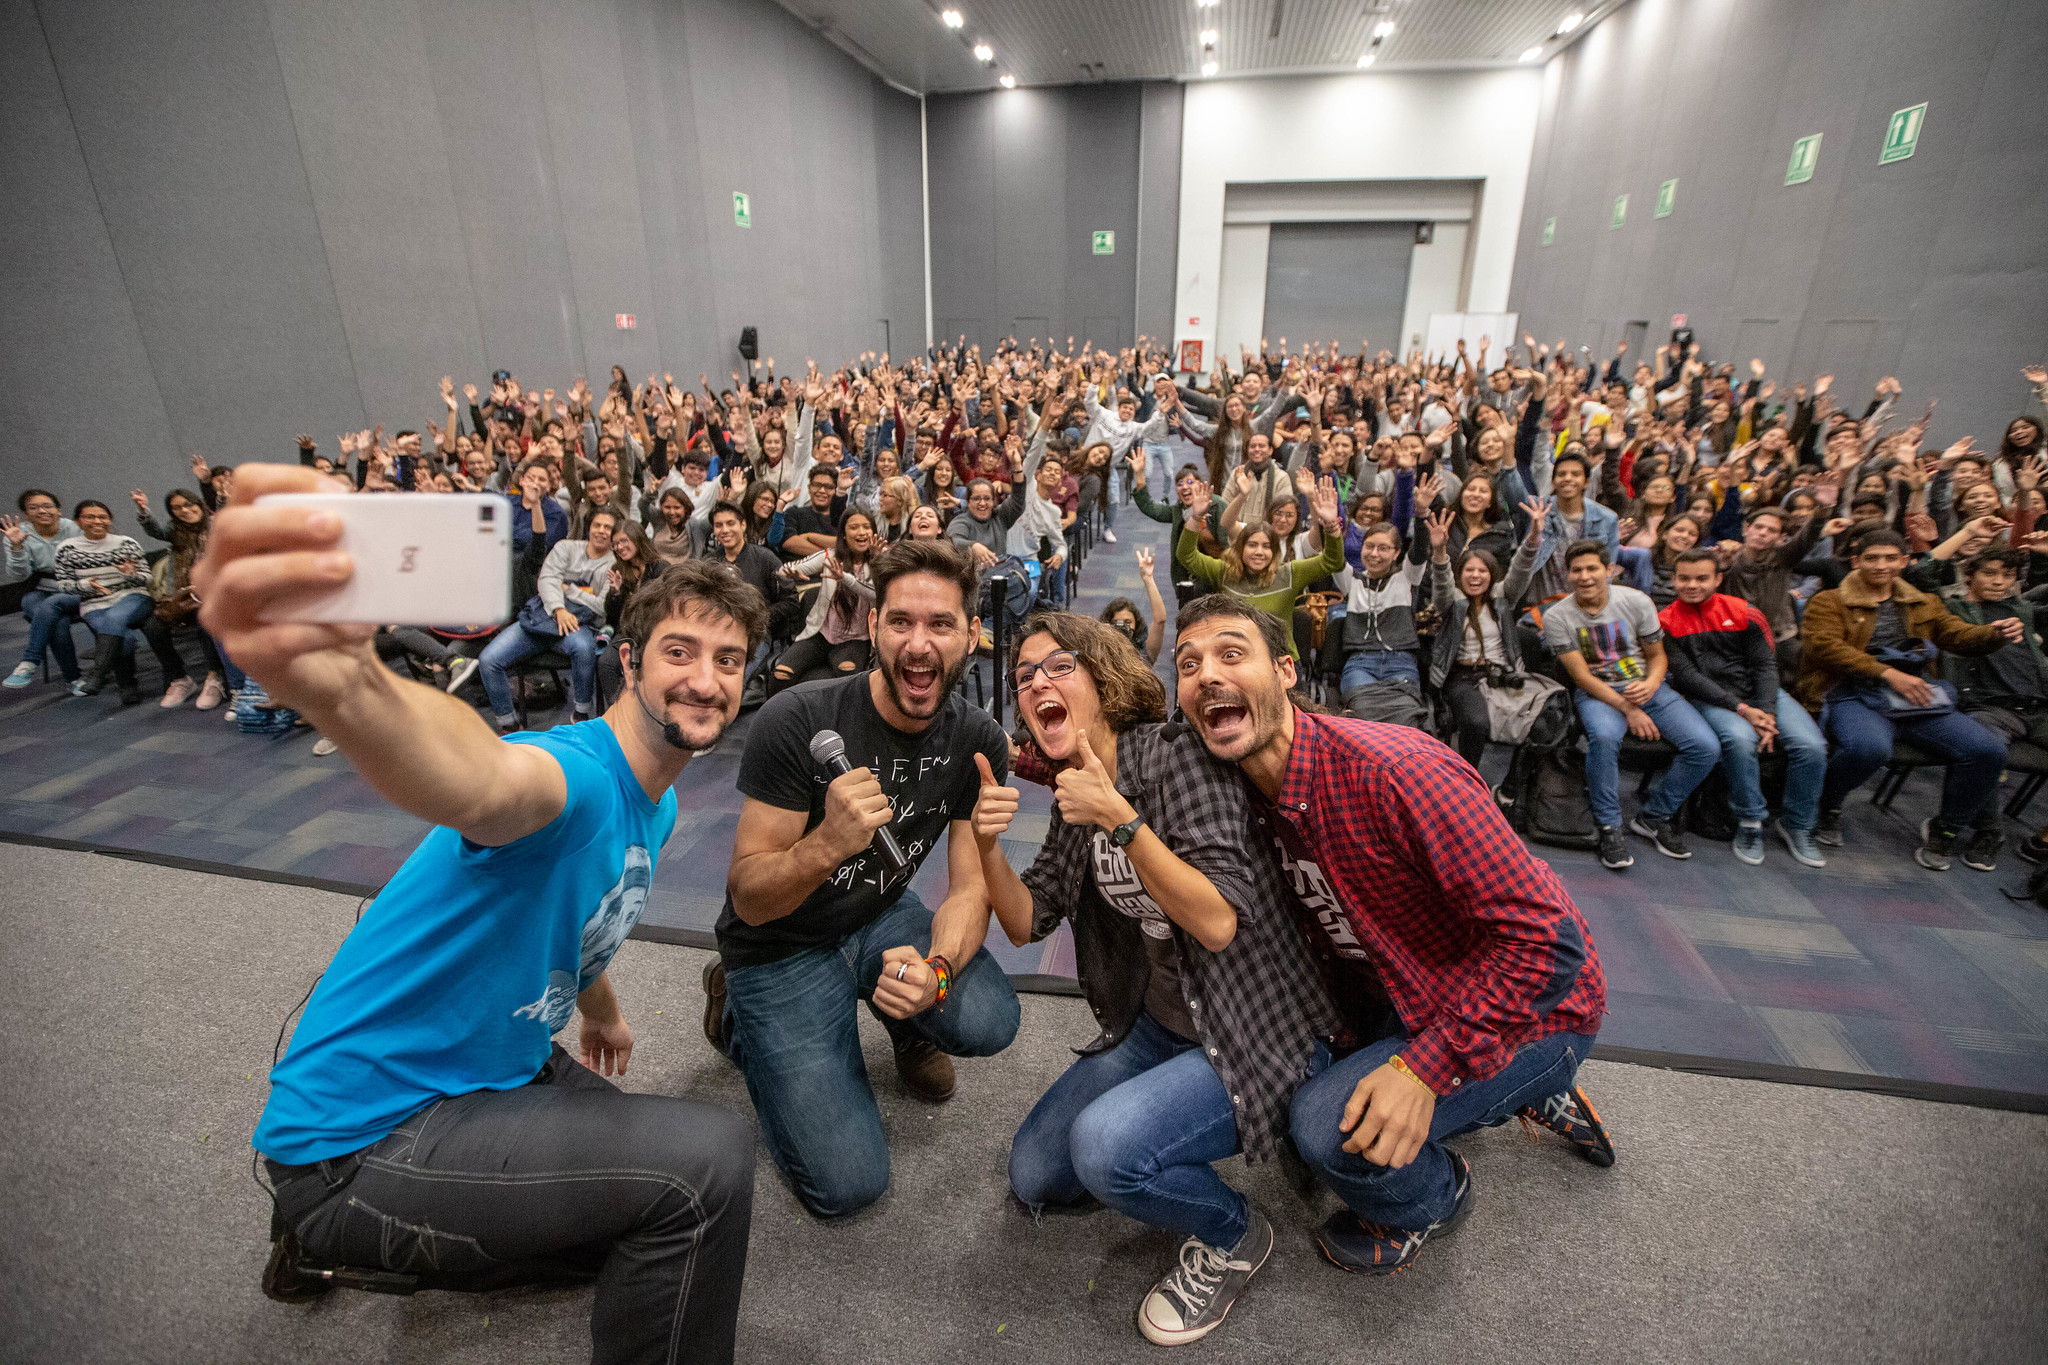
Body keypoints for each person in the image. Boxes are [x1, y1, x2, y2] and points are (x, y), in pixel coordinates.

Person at [198, 463, 762, 1365]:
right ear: (630, 660)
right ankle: (322, 1230)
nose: (705, 679)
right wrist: (349, 686)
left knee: (627, 1220)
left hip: (488, 1069)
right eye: (680, 652)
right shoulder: (572, 774)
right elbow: (483, 776)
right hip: (358, 1143)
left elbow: (582, 906)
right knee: (706, 1169)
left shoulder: (655, 803)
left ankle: (338, 1250)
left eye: (728, 660)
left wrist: (600, 1004)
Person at [1168, 595, 1614, 1277]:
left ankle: (1436, 1196)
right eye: (1188, 663)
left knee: (1323, 1128)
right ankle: (1515, 1090)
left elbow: (1548, 947)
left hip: (1543, 1005)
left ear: (1286, 670)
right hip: (1413, 982)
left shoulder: (1397, 771)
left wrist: (1426, 1067)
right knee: (1311, 1078)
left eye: (1232, 653)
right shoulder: (1238, 790)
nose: (1205, 675)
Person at [974, 614, 1337, 1346]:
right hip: (1160, 1024)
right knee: (1035, 1173)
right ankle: (1165, 1134)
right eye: (1023, 677)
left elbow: (1219, 921)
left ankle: (1235, 1231)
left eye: (1056, 666)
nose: (1035, 682)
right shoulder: (1079, 785)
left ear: (1103, 680)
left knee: (1105, 1149)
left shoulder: (1173, 760)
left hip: (1252, 1029)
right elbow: (1025, 920)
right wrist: (986, 848)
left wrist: (1119, 817)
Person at [710, 539, 1022, 1217]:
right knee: (847, 1185)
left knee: (991, 1016)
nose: (919, 644)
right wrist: (827, 842)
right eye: (902, 622)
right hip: (778, 943)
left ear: (972, 633)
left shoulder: (978, 739)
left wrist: (935, 973)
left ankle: (905, 1017)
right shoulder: (799, 719)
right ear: (874, 624)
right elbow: (750, 896)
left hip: (877, 914)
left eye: (941, 623)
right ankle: (737, 1014)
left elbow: (970, 889)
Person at [1795, 530, 2020, 869]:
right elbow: (1825, 648)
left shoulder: (1924, 601)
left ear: (1904, 561)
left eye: (1890, 558)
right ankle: (1829, 803)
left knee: (1987, 750)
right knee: (1868, 748)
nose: (1881, 565)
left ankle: (1947, 829)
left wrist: (1994, 633)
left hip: (1914, 695)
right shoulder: (1829, 601)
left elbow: (1957, 634)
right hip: (1850, 691)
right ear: (1856, 561)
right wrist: (1887, 673)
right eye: (1872, 558)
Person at [1544, 539, 1721, 870]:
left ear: (1609, 570)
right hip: (1599, 692)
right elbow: (1582, 677)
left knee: (1705, 746)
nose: (1584, 576)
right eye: (1576, 570)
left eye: (1592, 568)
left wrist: (1652, 685)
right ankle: (1609, 825)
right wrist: (1628, 709)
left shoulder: (1637, 601)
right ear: (1568, 575)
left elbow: (1657, 656)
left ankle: (1654, 816)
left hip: (1648, 687)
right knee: (1606, 738)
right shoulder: (1557, 616)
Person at [1659, 549, 1830, 868]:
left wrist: (1766, 712)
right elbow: (1688, 677)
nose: (1692, 585)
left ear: (1718, 579)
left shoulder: (1746, 613)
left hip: (1763, 695)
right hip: (1713, 698)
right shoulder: (1666, 621)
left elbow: (1766, 666)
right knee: (1740, 741)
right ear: (1674, 580)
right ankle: (1750, 821)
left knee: (1812, 747)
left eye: (1701, 578)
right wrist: (1743, 710)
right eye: (1684, 578)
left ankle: (1797, 824)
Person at [1940, 548, 2048, 871]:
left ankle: (2041, 842)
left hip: (2038, 705)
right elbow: (1922, 575)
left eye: (2007, 575)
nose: (1999, 582)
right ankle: (1990, 832)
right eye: (1990, 573)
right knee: (1987, 752)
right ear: (1970, 573)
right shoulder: (1952, 608)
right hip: (1989, 706)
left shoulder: (2022, 609)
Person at [1426, 499, 1549, 768]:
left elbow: (1521, 569)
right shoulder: (1453, 603)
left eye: (1482, 571)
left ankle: (1510, 789)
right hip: (1464, 678)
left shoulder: (1503, 599)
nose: (1475, 576)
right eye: (1469, 570)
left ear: (1492, 575)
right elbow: (1442, 584)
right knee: (1475, 723)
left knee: (1541, 728)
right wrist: (1439, 552)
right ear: (1461, 575)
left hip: (1504, 677)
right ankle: (1468, 778)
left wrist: (1533, 537)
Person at [478, 508, 617, 732]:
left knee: (584, 649)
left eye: (607, 527)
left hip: (578, 625)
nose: (601, 531)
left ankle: (581, 713)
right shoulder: (565, 547)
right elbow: (547, 580)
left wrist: (569, 589)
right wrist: (559, 609)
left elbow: (601, 605)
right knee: (488, 659)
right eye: (597, 525)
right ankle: (508, 723)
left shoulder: (613, 564)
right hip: (543, 619)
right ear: (589, 528)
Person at [1177, 479, 1344, 660]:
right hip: (1237, 660)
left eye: (1266, 546)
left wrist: (1330, 525)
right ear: (1241, 548)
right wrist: (1195, 518)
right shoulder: (1224, 572)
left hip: (1278, 662)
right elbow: (1186, 555)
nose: (1259, 552)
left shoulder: (1289, 573)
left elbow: (1332, 561)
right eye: (1252, 545)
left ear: (1274, 552)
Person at [131, 487, 233, 708]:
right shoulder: (175, 530)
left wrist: (222, 497)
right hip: (183, 595)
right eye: (177, 508)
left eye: (188, 504)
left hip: (215, 594)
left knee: (205, 621)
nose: (184, 511)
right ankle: (180, 679)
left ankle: (214, 678)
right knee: (153, 627)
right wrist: (144, 511)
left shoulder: (214, 525)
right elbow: (155, 531)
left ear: (198, 503)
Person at [50, 500, 154, 703]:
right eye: (90, 517)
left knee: (114, 617)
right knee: (122, 636)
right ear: (78, 522)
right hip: (94, 603)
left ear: (110, 519)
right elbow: (63, 585)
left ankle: (98, 674)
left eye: (102, 517)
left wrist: (131, 574)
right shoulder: (66, 549)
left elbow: (147, 578)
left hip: (133, 597)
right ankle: (127, 685)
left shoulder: (126, 543)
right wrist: (87, 585)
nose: (97, 521)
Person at [1099, 545, 1169, 664]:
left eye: (1128, 622)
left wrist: (1148, 579)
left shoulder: (1144, 653)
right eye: (1117, 623)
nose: (1123, 627)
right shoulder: (1099, 654)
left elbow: (1160, 620)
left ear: (1136, 624)